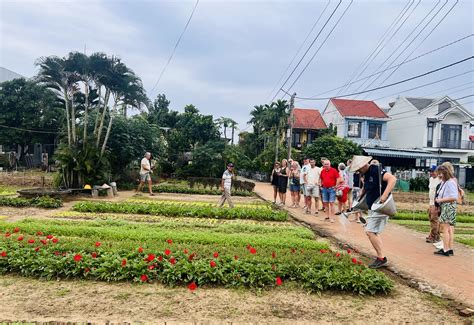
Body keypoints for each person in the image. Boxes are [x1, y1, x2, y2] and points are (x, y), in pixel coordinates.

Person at [350, 155, 396, 269]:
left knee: (370, 231)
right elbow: (367, 185)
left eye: (359, 168)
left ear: (364, 165)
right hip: (373, 207)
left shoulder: (376, 170)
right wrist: (362, 194)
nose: (358, 171)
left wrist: (383, 197)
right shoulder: (365, 174)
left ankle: (381, 258)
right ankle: (380, 256)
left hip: (380, 206)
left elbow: (392, 179)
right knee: (371, 232)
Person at [434, 165, 458, 256]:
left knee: (445, 228)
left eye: (440, 174)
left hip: (448, 206)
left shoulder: (450, 182)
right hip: (446, 206)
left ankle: (446, 249)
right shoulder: (446, 182)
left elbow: (453, 197)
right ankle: (449, 248)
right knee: (448, 229)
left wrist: (440, 200)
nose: (439, 176)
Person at [427, 165, 441, 243]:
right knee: (431, 218)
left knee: (434, 219)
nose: (431, 173)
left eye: (433, 171)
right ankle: (434, 234)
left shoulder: (440, 180)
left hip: (436, 202)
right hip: (431, 201)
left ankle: (434, 236)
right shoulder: (431, 179)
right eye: (430, 171)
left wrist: (437, 204)